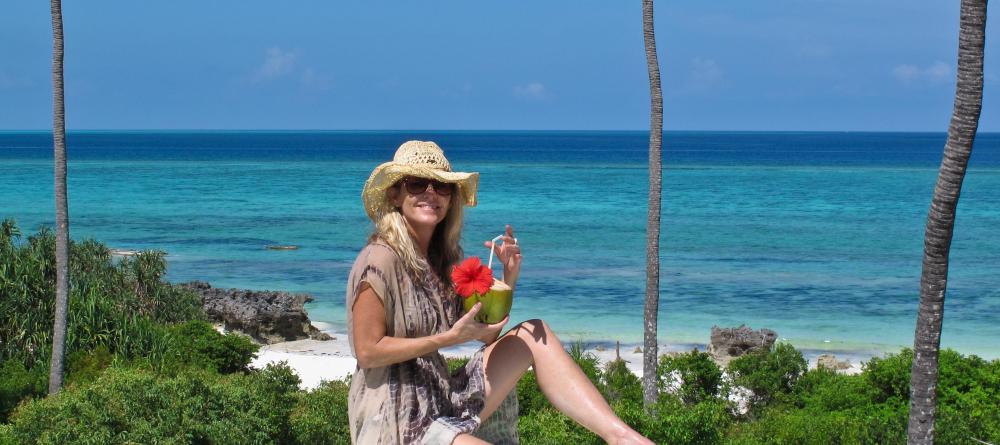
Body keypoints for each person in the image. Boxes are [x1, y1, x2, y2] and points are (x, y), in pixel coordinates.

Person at [346, 140, 653, 444]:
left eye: (442, 186)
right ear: (396, 195)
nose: (431, 193)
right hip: (395, 419)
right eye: (417, 184)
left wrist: (508, 280)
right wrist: (447, 339)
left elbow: (485, 335)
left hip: (440, 399)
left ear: (451, 198)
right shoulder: (379, 258)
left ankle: (622, 437)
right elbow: (367, 352)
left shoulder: (441, 263)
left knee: (534, 333)